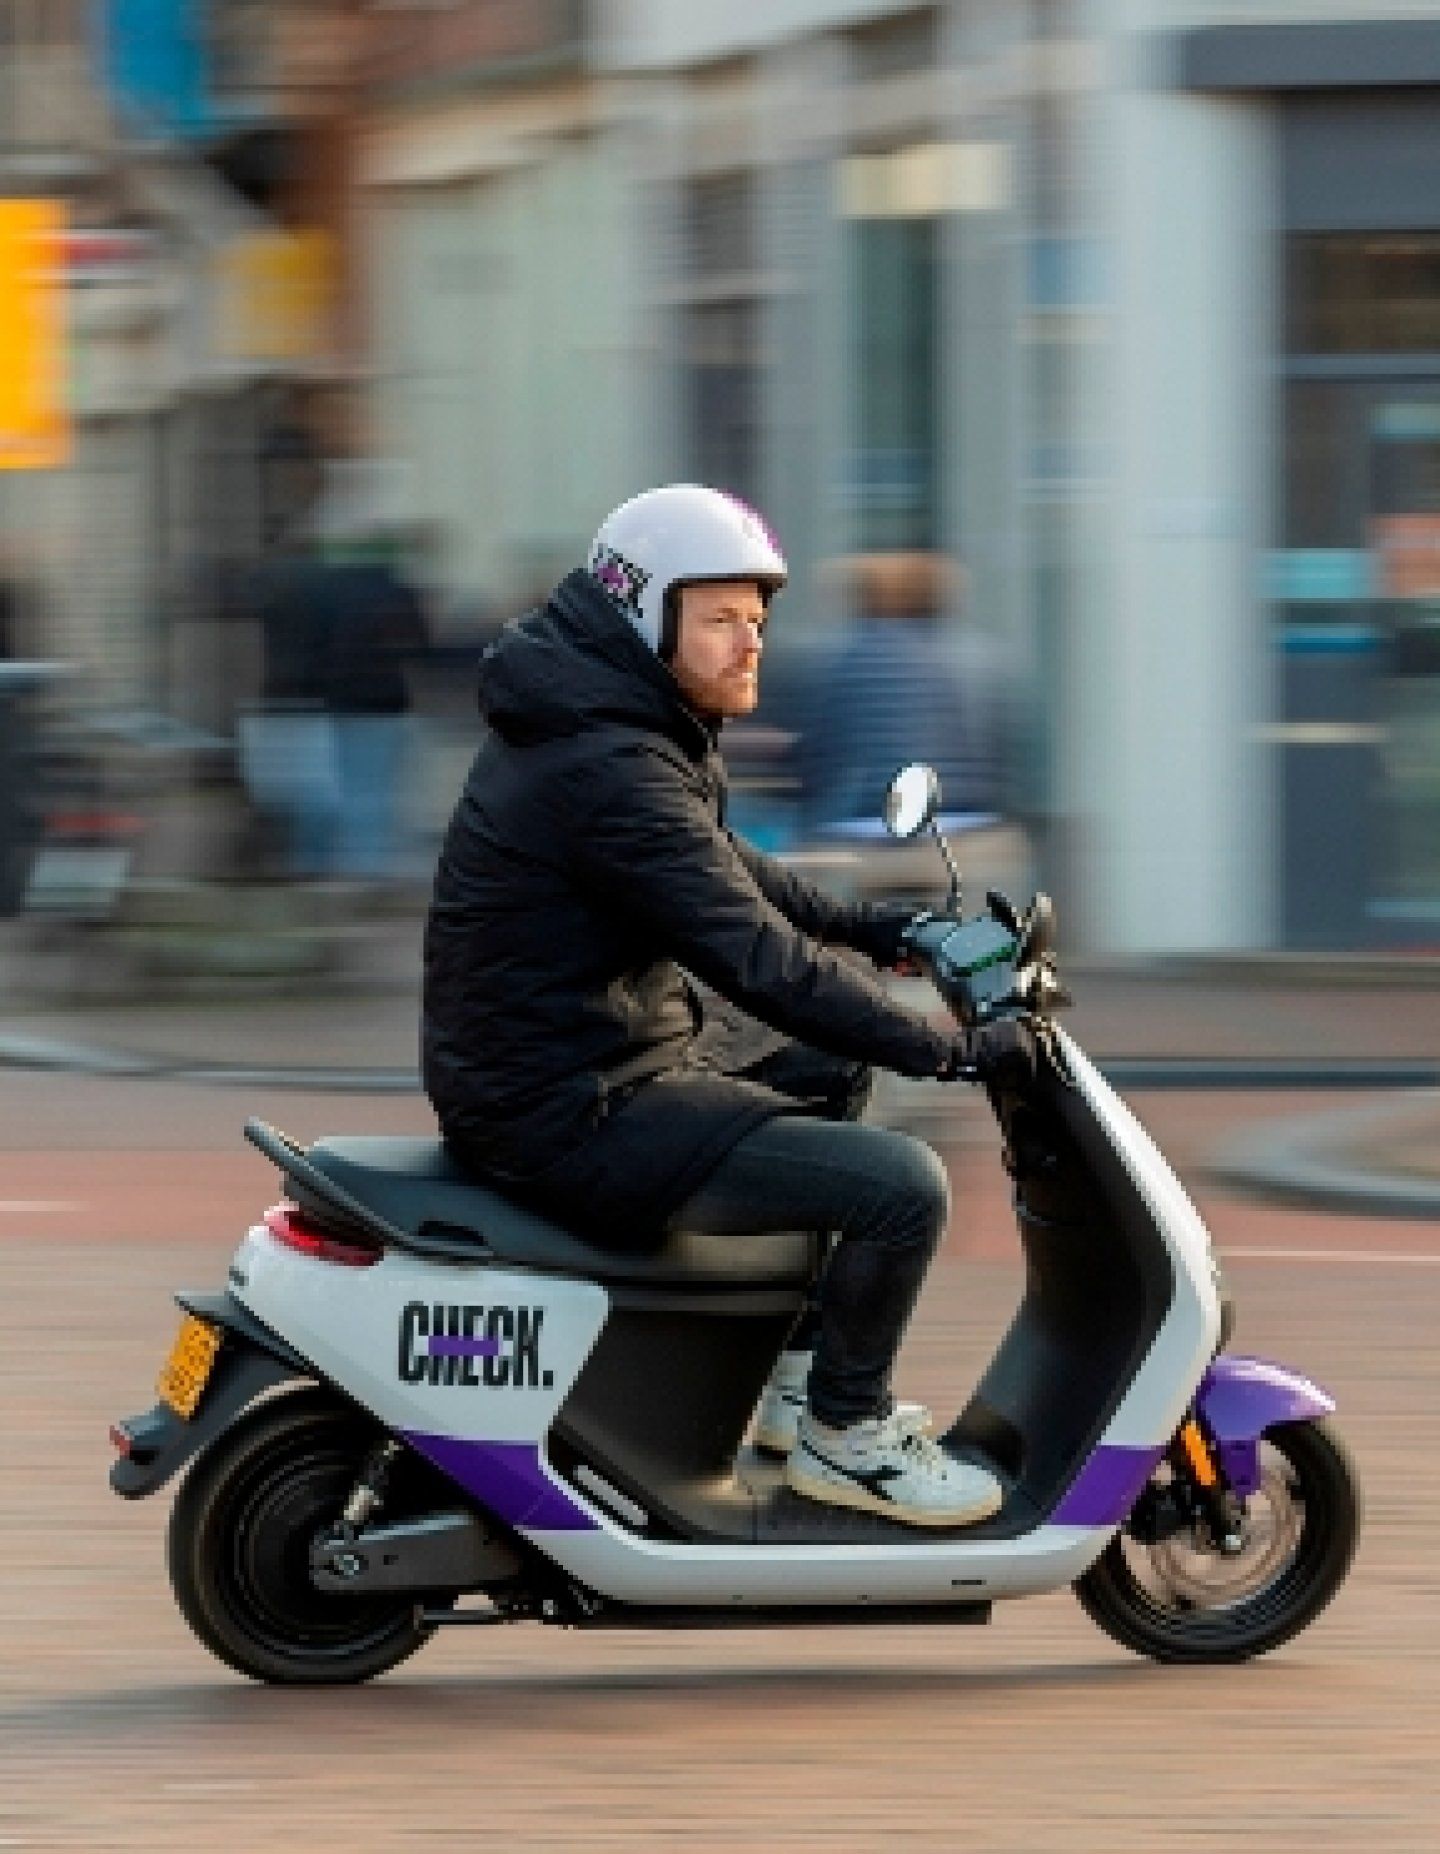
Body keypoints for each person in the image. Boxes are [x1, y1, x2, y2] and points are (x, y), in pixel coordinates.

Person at [423, 485, 1032, 1528]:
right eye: (720, 619)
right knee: (904, 1189)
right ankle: (849, 1436)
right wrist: (942, 1052)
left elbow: (736, 872)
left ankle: (798, 1391)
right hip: (570, 1102)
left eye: (758, 618)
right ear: (643, 611)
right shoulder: (607, 762)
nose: (751, 642)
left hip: (572, 1058)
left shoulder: (612, 721)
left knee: (828, 1066)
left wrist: (887, 932)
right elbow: (754, 954)